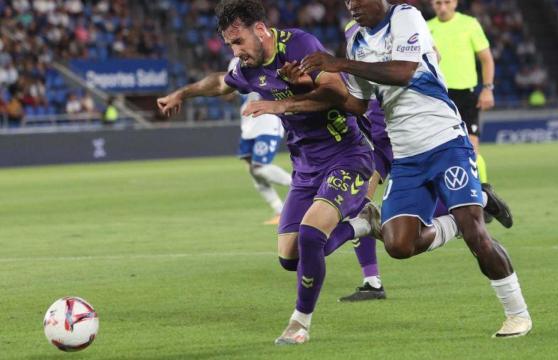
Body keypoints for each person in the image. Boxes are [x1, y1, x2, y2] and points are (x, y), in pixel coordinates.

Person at [290, 0, 531, 338]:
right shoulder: (356, 39)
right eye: (346, 2)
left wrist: (341, 64)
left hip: (445, 141)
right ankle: (461, 218)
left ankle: (517, 313)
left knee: (478, 234)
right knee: (399, 245)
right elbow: (358, 103)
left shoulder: (405, 16)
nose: (351, 6)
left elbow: (403, 71)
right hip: (406, 156)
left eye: (357, 0)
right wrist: (307, 87)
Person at [157, 0, 376, 345]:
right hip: (305, 166)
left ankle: (299, 323)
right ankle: (363, 223)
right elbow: (220, 83)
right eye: (230, 44)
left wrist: (282, 103)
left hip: (345, 154)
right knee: (290, 258)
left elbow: (339, 93)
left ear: (260, 30)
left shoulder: (300, 45)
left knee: (310, 234)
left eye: (238, 41)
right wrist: (182, 93)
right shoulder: (249, 67)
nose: (236, 51)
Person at [428, 0, 495, 184]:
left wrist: (487, 89)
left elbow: (486, 59)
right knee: (436, 151)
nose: (442, 7)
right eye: (437, 3)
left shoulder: (469, 24)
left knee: (472, 149)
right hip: (437, 96)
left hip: (466, 95)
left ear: (455, 3)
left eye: (446, 2)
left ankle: (485, 197)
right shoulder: (425, 28)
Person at [227, 57, 292, 225]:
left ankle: (301, 186)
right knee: (253, 170)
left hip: (268, 120)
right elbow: (229, 91)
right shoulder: (235, 63)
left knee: (260, 168)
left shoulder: (269, 57)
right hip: (249, 122)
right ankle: (279, 210)